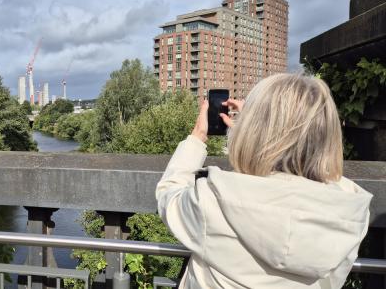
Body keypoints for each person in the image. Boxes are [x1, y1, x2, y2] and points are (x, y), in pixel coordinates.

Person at [156, 74, 372, 289]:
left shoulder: (213, 200)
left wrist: (198, 137)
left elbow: (170, 195)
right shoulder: (349, 213)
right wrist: (260, 129)